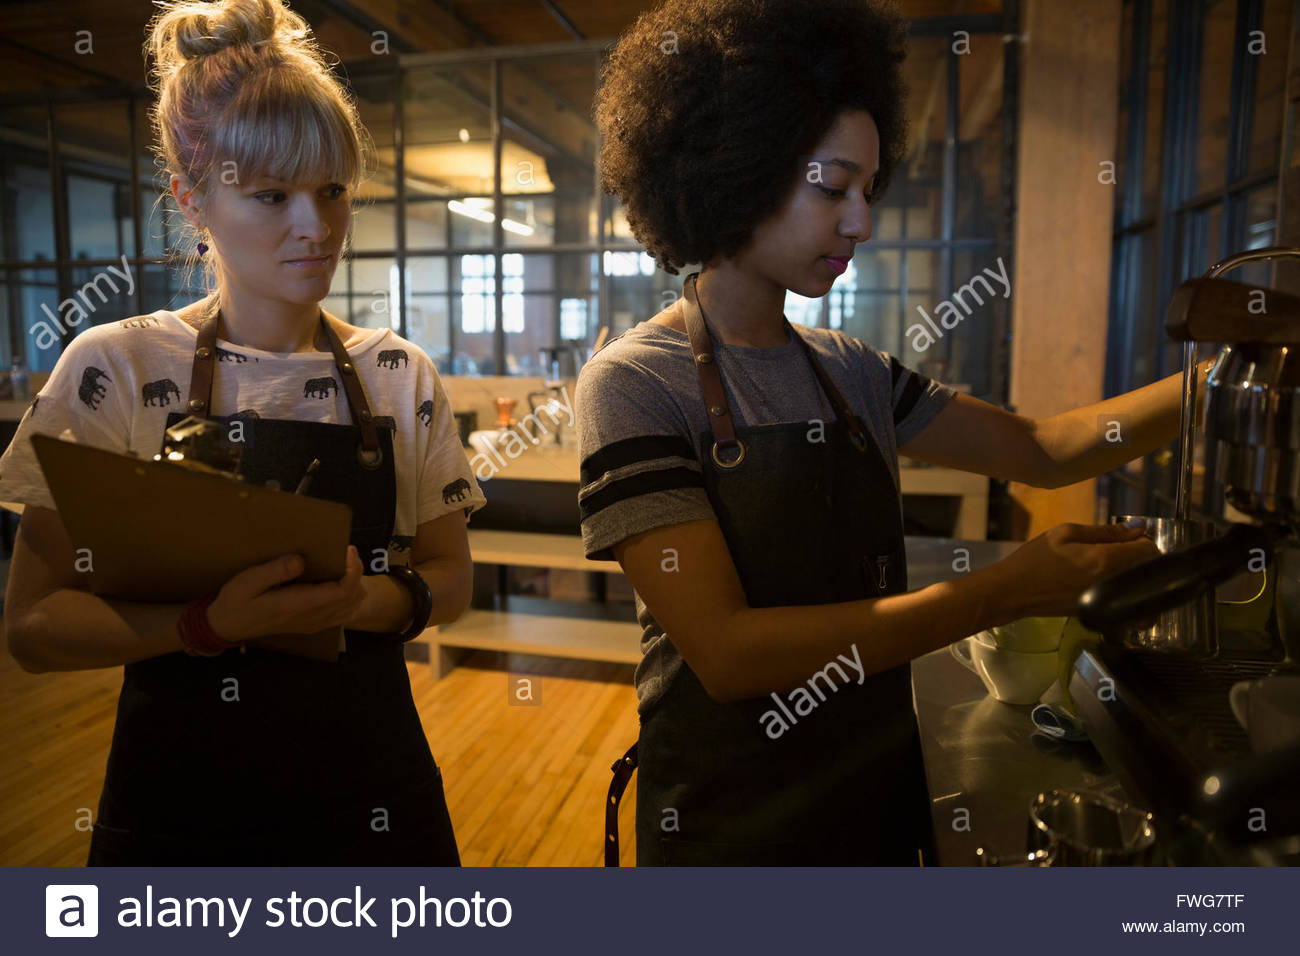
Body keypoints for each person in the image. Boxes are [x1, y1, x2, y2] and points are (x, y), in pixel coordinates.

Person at [579, 0, 1207, 865]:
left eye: (868, 191)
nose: (860, 222)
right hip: (731, 827)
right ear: (737, 167)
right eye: (831, 187)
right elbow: (727, 654)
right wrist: (1001, 592)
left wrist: (1222, 381)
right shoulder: (635, 383)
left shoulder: (853, 372)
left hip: (875, 796)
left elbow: (1045, 448)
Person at [0, 0, 486, 865]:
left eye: (332, 189)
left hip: (374, 807)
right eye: (272, 196)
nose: (317, 226)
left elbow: (449, 580)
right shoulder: (115, 367)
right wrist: (203, 626)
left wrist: (361, 601)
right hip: (178, 818)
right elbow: (36, 626)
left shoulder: (396, 374)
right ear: (194, 199)